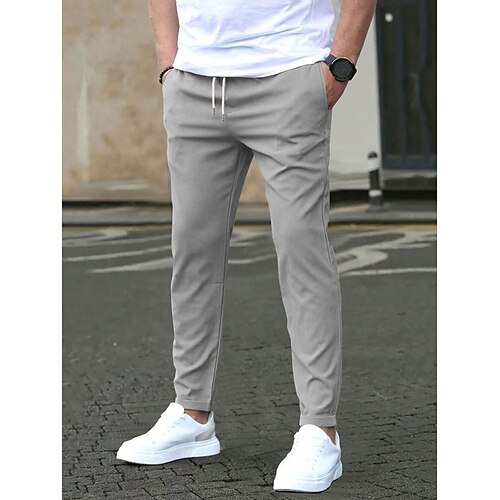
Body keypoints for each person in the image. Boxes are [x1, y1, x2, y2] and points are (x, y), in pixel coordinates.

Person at [117, 0, 376, 493]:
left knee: (302, 252)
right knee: (192, 254)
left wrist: (339, 66)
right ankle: (192, 415)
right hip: (194, 84)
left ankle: (319, 428)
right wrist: (169, 64)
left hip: (289, 75)